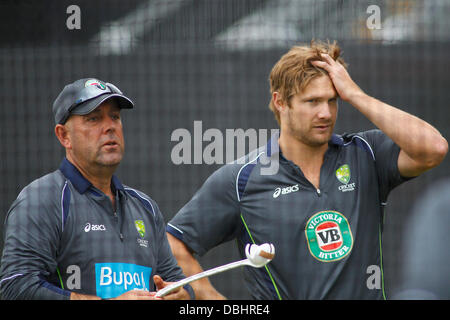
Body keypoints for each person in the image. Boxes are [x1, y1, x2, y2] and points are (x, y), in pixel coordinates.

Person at [166, 40, 448, 299]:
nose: (325, 113)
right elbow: (173, 243)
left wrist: (355, 95)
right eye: (312, 102)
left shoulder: (366, 154)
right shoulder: (242, 179)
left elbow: (434, 148)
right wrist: (211, 298)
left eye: (332, 100)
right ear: (280, 102)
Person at [0, 78, 194, 300]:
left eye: (115, 116)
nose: (109, 126)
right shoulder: (40, 200)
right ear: (64, 135)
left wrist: (182, 295)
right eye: (93, 119)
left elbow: (177, 283)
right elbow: (16, 287)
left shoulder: (145, 207)